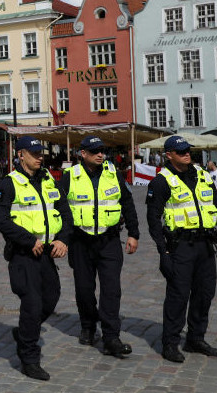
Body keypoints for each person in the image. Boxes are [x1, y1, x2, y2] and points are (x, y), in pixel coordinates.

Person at [146, 135, 217, 363]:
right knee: (178, 296)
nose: (187, 154)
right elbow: (153, 220)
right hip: (180, 246)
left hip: (205, 245)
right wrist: (162, 251)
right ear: (169, 155)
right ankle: (170, 343)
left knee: (205, 294)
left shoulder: (203, 176)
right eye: (181, 151)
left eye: (188, 150)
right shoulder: (161, 182)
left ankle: (195, 338)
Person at [0, 135, 72, 381]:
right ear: (20, 155)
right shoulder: (8, 183)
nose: (40, 157)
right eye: (35, 153)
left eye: (42, 154)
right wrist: (28, 240)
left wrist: (63, 239)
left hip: (47, 253)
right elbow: (1, 220)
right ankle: (29, 358)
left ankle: (25, 331)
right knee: (32, 304)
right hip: (24, 254)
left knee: (51, 298)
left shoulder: (49, 180)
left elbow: (65, 213)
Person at [58, 136, 139, 358]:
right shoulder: (69, 177)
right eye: (95, 151)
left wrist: (134, 233)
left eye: (102, 151)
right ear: (82, 154)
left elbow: (128, 203)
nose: (100, 155)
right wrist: (61, 238)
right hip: (80, 241)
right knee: (84, 289)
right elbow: (60, 208)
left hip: (109, 240)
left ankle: (111, 336)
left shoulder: (114, 174)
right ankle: (88, 326)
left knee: (111, 289)